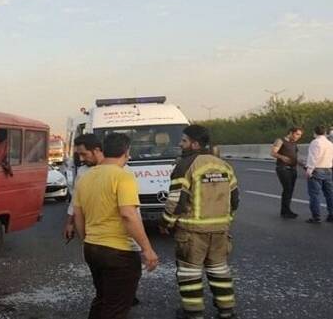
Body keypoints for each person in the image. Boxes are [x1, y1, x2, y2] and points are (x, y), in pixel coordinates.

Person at [73, 133, 158, 319]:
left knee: (103, 299)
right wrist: (147, 249)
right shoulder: (123, 177)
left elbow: (78, 216)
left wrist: (87, 240)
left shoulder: (84, 178)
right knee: (116, 308)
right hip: (119, 253)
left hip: (92, 248)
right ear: (126, 152)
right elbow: (128, 215)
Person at [160, 125, 239, 319]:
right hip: (220, 231)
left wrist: (166, 223)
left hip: (192, 232)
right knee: (219, 271)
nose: (180, 144)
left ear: (195, 144)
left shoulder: (185, 165)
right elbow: (235, 199)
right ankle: (227, 311)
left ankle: (194, 314)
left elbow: (176, 200)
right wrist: (225, 221)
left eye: (184, 141)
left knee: (190, 275)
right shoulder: (224, 165)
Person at [63, 134, 104, 241]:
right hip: (91, 234)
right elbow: (76, 200)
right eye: (79, 155)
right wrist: (70, 223)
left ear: (96, 150)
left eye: (84, 154)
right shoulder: (82, 172)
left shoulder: (120, 171)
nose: (81, 159)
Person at [270, 127, 303, 218]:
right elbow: (273, 153)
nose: (298, 137)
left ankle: (286, 210)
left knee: (290, 190)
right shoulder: (280, 140)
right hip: (283, 168)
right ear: (291, 133)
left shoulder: (294, 143)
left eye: (300, 135)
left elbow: (295, 157)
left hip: (293, 169)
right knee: (287, 188)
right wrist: (282, 157)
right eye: (297, 134)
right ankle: (285, 211)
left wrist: (303, 165)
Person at [304, 125, 333, 223]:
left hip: (317, 170)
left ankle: (316, 216)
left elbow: (313, 158)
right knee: (329, 194)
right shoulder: (330, 143)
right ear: (325, 133)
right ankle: (331, 214)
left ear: (315, 132)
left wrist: (309, 171)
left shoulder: (315, 142)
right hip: (328, 169)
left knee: (314, 194)